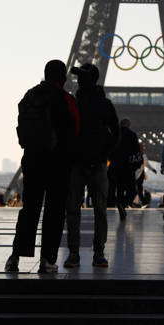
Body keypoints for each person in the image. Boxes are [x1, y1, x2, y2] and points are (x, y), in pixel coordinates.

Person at [4, 59, 78, 274]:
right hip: (57, 164)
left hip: (33, 160)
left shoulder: (29, 96)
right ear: (63, 78)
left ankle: (15, 257)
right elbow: (74, 132)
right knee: (54, 212)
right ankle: (47, 260)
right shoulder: (66, 100)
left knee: (29, 210)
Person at [64, 63, 119, 269]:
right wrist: (105, 154)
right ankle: (96, 253)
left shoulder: (77, 103)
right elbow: (116, 133)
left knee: (74, 211)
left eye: (82, 77)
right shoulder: (102, 104)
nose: (78, 80)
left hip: (83, 164)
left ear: (91, 79)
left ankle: (76, 253)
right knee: (99, 211)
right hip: (90, 163)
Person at [109, 119, 139, 221]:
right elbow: (136, 152)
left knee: (120, 189)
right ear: (128, 125)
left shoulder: (114, 134)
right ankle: (124, 204)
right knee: (132, 190)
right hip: (128, 167)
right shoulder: (132, 135)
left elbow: (109, 150)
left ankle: (120, 204)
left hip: (116, 167)